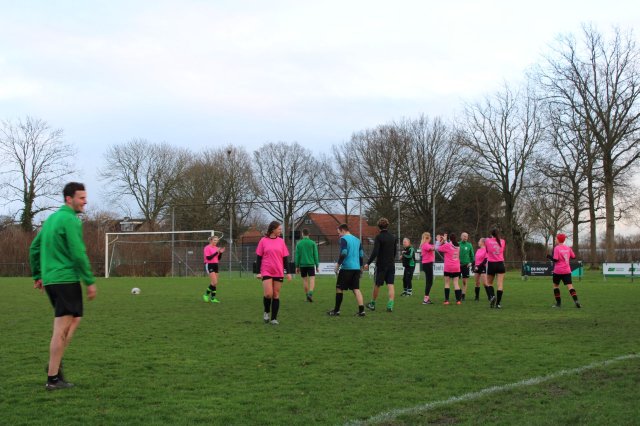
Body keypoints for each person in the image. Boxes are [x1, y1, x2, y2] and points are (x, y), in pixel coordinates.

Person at [29, 182, 97, 391]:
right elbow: (77, 252)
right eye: (81, 198)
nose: (85, 202)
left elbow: (34, 247)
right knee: (61, 328)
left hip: (52, 280)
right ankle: (53, 377)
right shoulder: (70, 220)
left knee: (74, 319)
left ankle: (54, 362)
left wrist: (38, 275)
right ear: (69, 199)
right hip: (66, 279)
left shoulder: (51, 219)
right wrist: (89, 281)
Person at [256, 221, 292, 325]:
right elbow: (259, 257)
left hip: (278, 271)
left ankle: (274, 319)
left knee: (276, 295)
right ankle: (266, 312)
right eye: (279, 229)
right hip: (266, 270)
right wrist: (258, 272)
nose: (281, 231)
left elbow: (285, 258)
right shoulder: (263, 241)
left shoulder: (281, 241)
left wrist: (288, 272)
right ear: (273, 229)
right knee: (268, 294)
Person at [327, 223, 366, 316]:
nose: (339, 235)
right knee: (356, 289)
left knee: (339, 288)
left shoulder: (343, 239)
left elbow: (344, 252)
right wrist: (361, 267)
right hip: (356, 268)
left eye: (339, 233)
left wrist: (337, 265)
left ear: (343, 230)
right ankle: (362, 311)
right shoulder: (357, 240)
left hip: (347, 268)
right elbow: (361, 255)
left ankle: (336, 310)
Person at [364, 218, 398, 312]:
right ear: (387, 225)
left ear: (378, 226)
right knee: (390, 284)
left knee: (377, 284)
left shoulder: (379, 237)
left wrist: (368, 263)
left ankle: (372, 304)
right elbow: (394, 252)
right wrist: (391, 260)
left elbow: (375, 252)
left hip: (381, 265)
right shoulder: (393, 237)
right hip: (391, 264)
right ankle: (390, 305)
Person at [548, 233, 581, 308]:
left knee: (556, 286)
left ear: (558, 240)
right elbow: (573, 257)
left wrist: (549, 257)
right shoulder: (568, 248)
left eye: (556, 238)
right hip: (567, 270)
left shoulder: (556, 248)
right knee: (570, 286)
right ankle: (576, 301)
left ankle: (558, 303)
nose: (555, 239)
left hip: (558, 271)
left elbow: (555, 260)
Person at [437, 233, 463, 305]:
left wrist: (442, 241)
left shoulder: (447, 245)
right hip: (456, 267)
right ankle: (458, 300)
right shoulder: (458, 246)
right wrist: (445, 241)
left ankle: (447, 300)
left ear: (449, 239)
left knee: (447, 283)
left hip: (448, 267)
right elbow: (451, 247)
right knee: (456, 283)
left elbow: (439, 248)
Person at [295, 228, 319, 302]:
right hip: (311, 264)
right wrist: (317, 265)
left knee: (305, 280)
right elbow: (315, 254)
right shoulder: (312, 243)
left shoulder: (299, 243)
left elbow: (297, 256)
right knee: (312, 279)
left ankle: (307, 296)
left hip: (302, 265)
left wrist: (297, 266)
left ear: (302, 234)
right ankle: (310, 294)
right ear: (309, 234)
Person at [485, 228, 506, 309]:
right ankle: (498, 304)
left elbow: (487, 250)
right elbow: (502, 250)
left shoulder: (487, 241)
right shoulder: (503, 241)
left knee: (489, 283)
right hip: (500, 264)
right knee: (500, 284)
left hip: (491, 264)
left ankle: (493, 296)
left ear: (491, 234)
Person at [202, 236, 225, 303]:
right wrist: (216, 252)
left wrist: (220, 253)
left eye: (217, 240)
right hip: (209, 265)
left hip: (216, 265)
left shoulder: (216, 248)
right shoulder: (207, 247)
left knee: (214, 283)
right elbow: (208, 258)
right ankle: (206, 294)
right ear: (211, 240)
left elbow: (218, 258)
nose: (216, 241)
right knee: (214, 282)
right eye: (215, 240)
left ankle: (213, 298)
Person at [420, 232, 436, 304]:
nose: (430, 238)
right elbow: (433, 248)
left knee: (429, 281)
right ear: (427, 237)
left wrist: (440, 241)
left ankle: (427, 298)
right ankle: (425, 299)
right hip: (427, 264)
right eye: (429, 237)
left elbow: (435, 247)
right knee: (429, 282)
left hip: (427, 264)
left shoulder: (426, 244)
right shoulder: (425, 245)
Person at [458, 232, 474, 301]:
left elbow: (472, 255)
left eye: (466, 236)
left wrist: (471, 263)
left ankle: (463, 295)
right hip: (457, 265)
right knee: (456, 280)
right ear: (461, 237)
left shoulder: (469, 245)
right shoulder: (457, 244)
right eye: (464, 236)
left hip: (466, 265)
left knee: (464, 281)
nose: (465, 237)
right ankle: (458, 292)